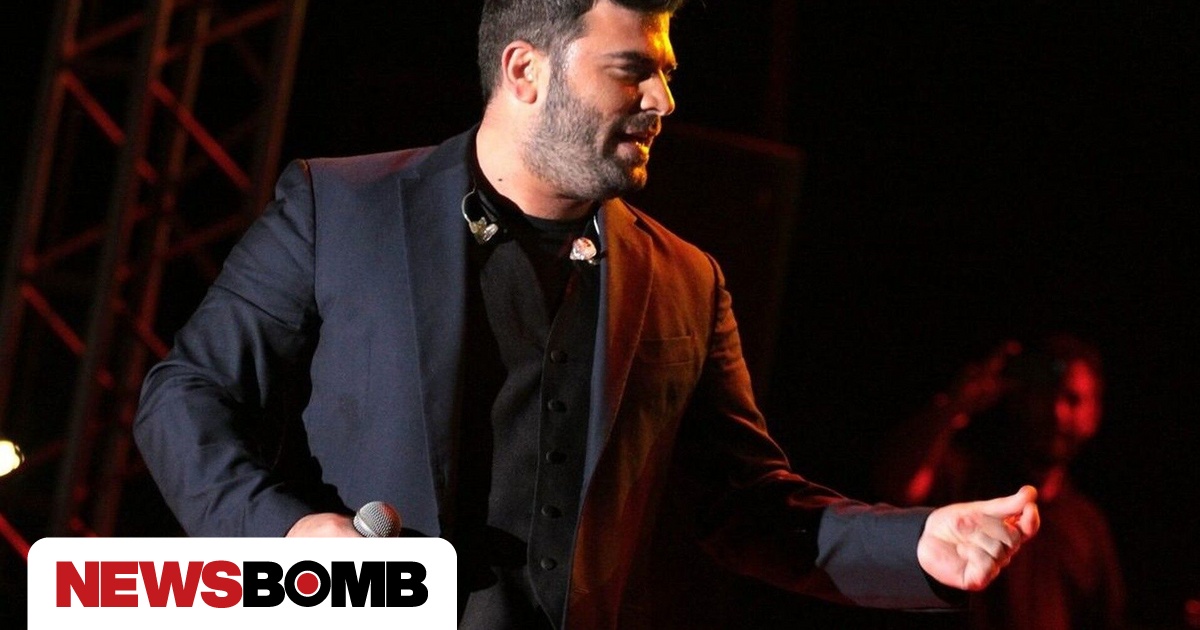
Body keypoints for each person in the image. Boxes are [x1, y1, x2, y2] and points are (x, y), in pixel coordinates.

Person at [132, 1, 1040, 628]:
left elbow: (748, 505)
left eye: (666, 74)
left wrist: (915, 545)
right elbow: (186, 395)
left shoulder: (686, 281)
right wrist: (289, 535)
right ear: (525, 71)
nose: (663, 102)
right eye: (632, 71)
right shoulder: (341, 208)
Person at [873, 333, 1125, 630]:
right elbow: (897, 488)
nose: (1056, 412)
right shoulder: (967, 484)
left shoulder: (1088, 528)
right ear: (1021, 397)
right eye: (1044, 394)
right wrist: (956, 405)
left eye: (1072, 399)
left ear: (1094, 414)